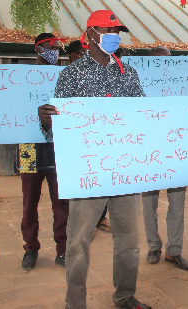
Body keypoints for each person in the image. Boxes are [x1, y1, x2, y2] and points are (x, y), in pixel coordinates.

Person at [39, 10, 188, 309]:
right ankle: (74, 304)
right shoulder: (71, 75)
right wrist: (47, 121)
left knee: (127, 242)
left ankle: (125, 297)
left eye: (117, 31)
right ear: (89, 35)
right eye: (107, 29)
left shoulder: (129, 74)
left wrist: (180, 119)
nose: (114, 36)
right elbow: (58, 131)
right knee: (77, 244)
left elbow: (145, 120)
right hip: (89, 174)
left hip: (125, 173)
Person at [0, 33, 70, 270]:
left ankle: (63, 250)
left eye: (57, 46)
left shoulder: (65, 76)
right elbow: (2, 102)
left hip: (57, 147)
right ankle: (30, 248)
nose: (55, 49)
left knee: (61, 202)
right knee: (29, 201)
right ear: (37, 49)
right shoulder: (18, 78)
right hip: (29, 149)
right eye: (50, 46)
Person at [141, 46, 188, 270]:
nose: (167, 63)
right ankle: (154, 246)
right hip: (148, 154)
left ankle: (174, 251)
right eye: (161, 60)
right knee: (148, 205)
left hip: (177, 153)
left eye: (169, 59)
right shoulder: (138, 87)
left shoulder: (183, 86)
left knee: (177, 206)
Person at [66, 39, 112, 233]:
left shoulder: (122, 74)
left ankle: (99, 218)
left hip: (105, 144)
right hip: (75, 148)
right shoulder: (69, 75)